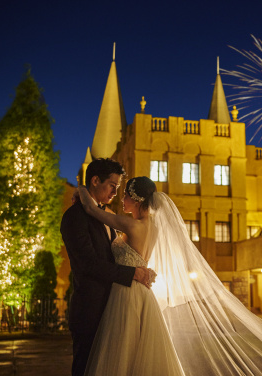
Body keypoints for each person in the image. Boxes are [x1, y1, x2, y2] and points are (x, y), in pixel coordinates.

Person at [79, 176, 262, 376]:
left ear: (136, 198)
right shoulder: (154, 227)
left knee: (121, 350)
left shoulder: (131, 223)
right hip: (143, 293)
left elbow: (92, 210)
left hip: (127, 294)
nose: (121, 199)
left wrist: (83, 190)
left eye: (124, 194)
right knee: (141, 349)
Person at [61, 159, 152, 376]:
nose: (116, 193)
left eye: (119, 188)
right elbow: (88, 264)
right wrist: (133, 273)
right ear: (95, 180)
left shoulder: (105, 215)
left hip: (116, 309)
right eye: (112, 186)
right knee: (87, 369)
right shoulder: (75, 216)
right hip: (90, 310)